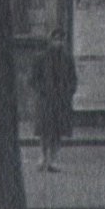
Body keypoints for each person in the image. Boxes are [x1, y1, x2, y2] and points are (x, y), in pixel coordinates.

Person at [30, 27, 78, 172]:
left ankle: (54, 159)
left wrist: (69, 91)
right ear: (50, 40)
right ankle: (43, 157)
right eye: (56, 39)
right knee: (45, 131)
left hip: (61, 100)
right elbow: (33, 79)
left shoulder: (68, 59)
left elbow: (73, 78)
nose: (59, 43)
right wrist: (42, 90)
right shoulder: (40, 58)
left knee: (58, 131)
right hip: (45, 100)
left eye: (61, 39)